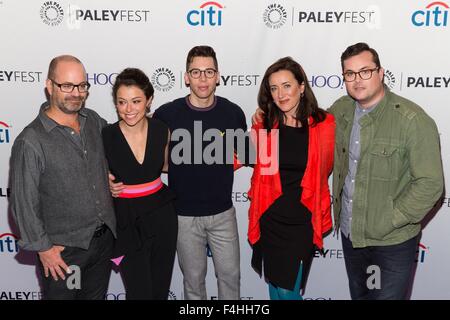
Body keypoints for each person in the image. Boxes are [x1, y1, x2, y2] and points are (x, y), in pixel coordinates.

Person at [111, 46, 246, 300]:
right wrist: (110, 177)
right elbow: (146, 156)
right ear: (186, 77)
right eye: (196, 72)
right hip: (183, 216)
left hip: (223, 213)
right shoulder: (166, 115)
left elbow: (247, 154)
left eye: (209, 72)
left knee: (230, 279)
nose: (203, 79)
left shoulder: (233, 113)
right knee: (193, 283)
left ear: (218, 75)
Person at [329, 42, 444, 299]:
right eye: (350, 74)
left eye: (365, 71)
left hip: (391, 243)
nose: (357, 80)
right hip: (352, 237)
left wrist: (389, 219)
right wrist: (268, 116)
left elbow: (431, 184)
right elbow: (309, 129)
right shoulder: (341, 110)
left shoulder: (413, 120)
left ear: (381, 73)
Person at [10, 55, 116, 300]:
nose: (76, 93)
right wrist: (44, 249)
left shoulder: (93, 121)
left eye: (81, 86)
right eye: (67, 86)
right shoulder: (31, 141)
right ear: (49, 86)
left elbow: (115, 149)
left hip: (101, 245)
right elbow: (23, 202)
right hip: (65, 254)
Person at [248, 57, 335, 300]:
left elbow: (327, 168)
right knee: (275, 290)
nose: (280, 94)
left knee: (288, 291)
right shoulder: (265, 124)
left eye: (287, 86)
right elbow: (242, 159)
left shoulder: (324, 125)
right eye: (274, 88)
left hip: (301, 224)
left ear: (302, 87)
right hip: (270, 219)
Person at [102, 68, 177, 300]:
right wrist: (104, 180)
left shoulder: (161, 129)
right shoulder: (106, 135)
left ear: (149, 100)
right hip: (127, 220)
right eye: (122, 102)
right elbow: (93, 173)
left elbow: (166, 166)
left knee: (160, 291)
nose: (128, 109)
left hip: (162, 216)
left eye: (136, 101)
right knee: (138, 293)